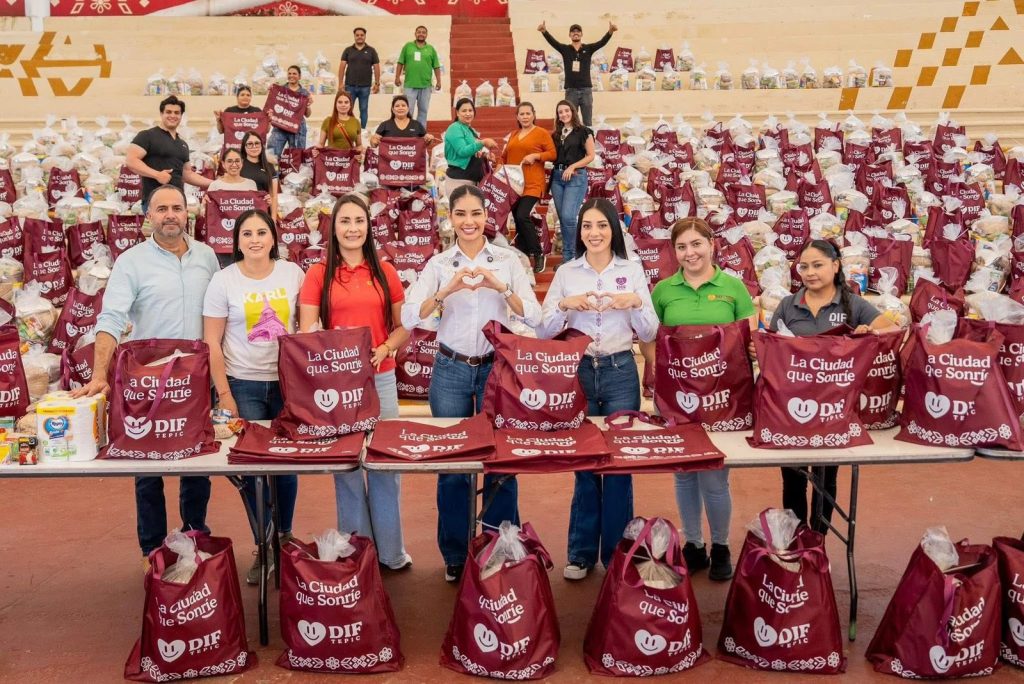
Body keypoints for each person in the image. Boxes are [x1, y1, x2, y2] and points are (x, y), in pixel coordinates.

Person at [72, 185, 220, 565]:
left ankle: (195, 536)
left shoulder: (206, 257)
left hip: (195, 378)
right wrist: (99, 373)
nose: (170, 214)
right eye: (162, 209)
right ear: (148, 217)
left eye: (177, 208)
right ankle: (152, 549)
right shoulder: (131, 262)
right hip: (146, 380)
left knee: (196, 465)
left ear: (188, 213)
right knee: (146, 467)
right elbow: (111, 319)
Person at [401, 185, 542, 583]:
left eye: (475, 213)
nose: (468, 221)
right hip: (450, 371)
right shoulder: (440, 264)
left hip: (496, 371)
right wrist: (448, 290)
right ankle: (455, 553)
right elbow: (412, 317)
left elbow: (532, 315)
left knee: (501, 463)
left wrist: (501, 287)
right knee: (453, 466)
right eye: (460, 214)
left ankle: (502, 547)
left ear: (487, 216)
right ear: (450, 218)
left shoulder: (509, 261)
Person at [537, 198, 657, 580]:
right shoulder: (568, 272)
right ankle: (581, 553)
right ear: (579, 231)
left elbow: (651, 330)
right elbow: (542, 329)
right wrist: (564, 305)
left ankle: (619, 553)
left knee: (619, 465)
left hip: (622, 369)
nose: (594, 233)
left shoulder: (632, 268)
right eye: (587, 226)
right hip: (581, 371)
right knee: (586, 463)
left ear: (614, 230)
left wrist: (636, 302)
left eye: (602, 225)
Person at [298, 194, 413, 571]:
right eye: (344, 221)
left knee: (384, 465)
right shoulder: (318, 273)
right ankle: (358, 553)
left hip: (380, 382)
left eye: (359, 221)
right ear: (334, 228)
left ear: (368, 226)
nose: (352, 228)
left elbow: (403, 328)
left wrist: (384, 348)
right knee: (347, 469)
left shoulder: (385, 271)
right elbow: (307, 331)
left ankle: (392, 554)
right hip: (336, 389)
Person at [651, 217, 757, 581]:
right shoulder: (664, 290)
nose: (690, 252)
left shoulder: (733, 288)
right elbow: (656, 341)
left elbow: (748, 341)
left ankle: (721, 545)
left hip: (724, 400)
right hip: (679, 400)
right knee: (683, 476)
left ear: (712, 244)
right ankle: (693, 544)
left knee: (715, 478)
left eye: (696, 244)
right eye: (681, 247)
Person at [202, 209, 304, 584]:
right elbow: (211, 341)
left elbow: (305, 326)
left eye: (262, 232)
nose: (256, 239)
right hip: (242, 383)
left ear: (273, 237)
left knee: (288, 465)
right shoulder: (223, 280)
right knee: (251, 470)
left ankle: (285, 536)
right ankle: (263, 545)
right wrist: (224, 393)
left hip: (287, 385)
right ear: (238, 240)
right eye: (248, 233)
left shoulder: (292, 274)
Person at [768, 239, 894, 534]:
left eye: (817, 265)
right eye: (804, 267)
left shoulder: (854, 304)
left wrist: (869, 330)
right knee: (794, 478)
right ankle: (798, 538)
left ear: (835, 266)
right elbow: (772, 346)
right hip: (792, 409)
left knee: (826, 477)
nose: (810, 272)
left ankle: (819, 536)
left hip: (834, 408)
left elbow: (891, 327)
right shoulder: (788, 304)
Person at [126, 95, 212, 211]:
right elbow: (131, 160)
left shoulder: (182, 144)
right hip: (155, 202)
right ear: (161, 114)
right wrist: (157, 175)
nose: (173, 115)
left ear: (181, 116)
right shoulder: (147, 136)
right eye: (169, 112)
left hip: (178, 202)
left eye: (177, 113)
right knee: (155, 230)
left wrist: (215, 184)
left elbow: (187, 174)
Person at [499, 102, 557, 273]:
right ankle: (523, 256)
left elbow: (553, 154)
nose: (525, 116)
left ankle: (538, 253)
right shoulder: (514, 135)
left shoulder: (541, 133)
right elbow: (504, 157)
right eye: (521, 114)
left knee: (522, 215)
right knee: (517, 219)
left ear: (533, 115)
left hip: (532, 183)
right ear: (517, 116)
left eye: (527, 113)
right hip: (515, 184)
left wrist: (537, 156)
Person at [538, 20, 617, 126]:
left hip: (586, 91)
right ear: (570, 35)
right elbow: (553, 42)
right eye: (573, 31)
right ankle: (572, 142)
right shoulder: (565, 49)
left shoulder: (588, 48)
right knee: (570, 122)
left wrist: (610, 32)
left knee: (587, 122)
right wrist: (544, 32)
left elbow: (601, 43)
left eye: (578, 31)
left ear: (581, 34)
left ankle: (588, 141)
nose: (576, 33)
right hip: (571, 91)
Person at [550, 100, 595, 264]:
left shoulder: (584, 131)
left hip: (575, 176)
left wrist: (572, 167)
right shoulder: (556, 134)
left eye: (566, 111)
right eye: (560, 112)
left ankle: (573, 256)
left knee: (569, 217)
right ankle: (568, 256)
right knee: (563, 218)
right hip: (557, 177)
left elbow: (591, 156)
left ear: (573, 111)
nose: (564, 114)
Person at [443, 98, 497, 198]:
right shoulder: (454, 128)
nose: (468, 113)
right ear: (457, 113)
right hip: (459, 179)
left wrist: (485, 156)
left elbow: (472, 151)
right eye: (464, 111)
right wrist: (483, 142)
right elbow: (462, 151)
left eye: (470, 110)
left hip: (471, 179)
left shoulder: (469, 129)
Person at [394, 25, 442, 127]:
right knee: (408, 110)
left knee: (423, 111)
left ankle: (421, 133)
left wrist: (439, 81)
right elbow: (400, 62)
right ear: (415, 34)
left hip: (425, 85)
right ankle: (408, 131)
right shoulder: (408, 46)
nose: (421, 34)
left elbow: (436, 66)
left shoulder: (431, 49)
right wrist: (397, 77)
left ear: (426, 35)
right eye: (419, 32)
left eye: (423, 32)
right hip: (410, 84)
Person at [267, 65, 314, 162]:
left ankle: (294, 177)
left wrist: (308, 105)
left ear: (299, 77)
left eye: (294, 74)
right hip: (280, 126)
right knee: (272, 154)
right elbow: (271, 105)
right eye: (289, 73)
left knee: (296, 158)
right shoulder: (280, 90)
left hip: (298, 129)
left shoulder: (304, 93)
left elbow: (307, 115)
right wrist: (271, 90)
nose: (291, 76)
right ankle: (273, 176)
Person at [339, 27, 380, 130]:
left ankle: (362, 130)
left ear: (365, 36)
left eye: (362, 35)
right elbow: (342, 66)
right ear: (354, 36)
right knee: (348, 109)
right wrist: (340, 83)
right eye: (357, 35)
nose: (359, 37)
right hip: (350, 86)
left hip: (365, 87)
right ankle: (349, 129)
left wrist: (377, 83)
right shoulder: (348, 50)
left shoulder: (371, 51)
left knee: (363, 109)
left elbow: (376, 67)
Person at [239, 132, 279, 220]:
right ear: (244, 147)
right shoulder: (238, 166)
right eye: (250, 144)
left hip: (263, 214)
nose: (254, 147)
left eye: (257, 143)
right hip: (243, 214)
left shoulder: (269, 167)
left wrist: (273, 220)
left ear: (261, 145)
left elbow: (273, 196)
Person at [370, 95, 436, 146]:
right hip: (390, 162)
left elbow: (426, 143)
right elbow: (374, 144)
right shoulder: (385, 125)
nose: (400, 108)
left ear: (408, 108)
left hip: (412, 162)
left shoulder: (417, 125)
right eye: (397, 106)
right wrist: (373, 140)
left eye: (403, 105)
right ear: (393, 109)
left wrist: (430, 139)